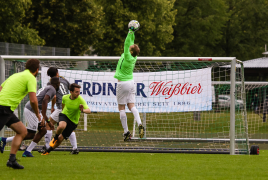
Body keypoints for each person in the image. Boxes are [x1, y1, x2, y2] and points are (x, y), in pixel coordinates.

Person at [1, 77, 60, 157]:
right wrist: (45, 116)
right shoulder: (52, 89)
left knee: (43, 131)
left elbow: (41, 101)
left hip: (34, 110)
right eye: (59, 83)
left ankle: (27, 151)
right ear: (57, 84)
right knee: (31, 134)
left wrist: (43, 116)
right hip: (32, 110)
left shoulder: (48, 87)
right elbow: (44, 100)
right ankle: (5, 140)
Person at [0, 59, 40, 169]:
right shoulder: (31, 78)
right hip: (4, 107)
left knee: (22, 131)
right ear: (37, 70)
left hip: (6, 107)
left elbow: (1, 88)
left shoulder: (15, 75)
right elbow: (33, 100)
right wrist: (37, 114)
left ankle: (11, 160)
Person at [113, 21, 145, 141]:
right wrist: (132, 32)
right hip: (131, 83)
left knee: (121, 107)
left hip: (123, 83)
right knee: (131, 105)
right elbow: (130, 42)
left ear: (130, 51)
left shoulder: (127, 56)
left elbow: (127, 43)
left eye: (131, 48)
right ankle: (140, 123)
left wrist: (130, 30)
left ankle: (126, 132)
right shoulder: (134, 56)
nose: (131, 45)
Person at [38, 67, 79, 154]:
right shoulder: (64, 80)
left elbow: (54, 96)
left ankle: (47, 147)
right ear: (57, 73)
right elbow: (70, 90)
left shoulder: (51, 83)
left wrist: (52, 106)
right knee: (69, 127)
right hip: (69, 106)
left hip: (61, 107)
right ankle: (75, 148)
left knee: (48, 125)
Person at [42, 83, 91, 155]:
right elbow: (63, 105)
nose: (78, 93)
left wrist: (82, 110)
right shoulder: (65, 97)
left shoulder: (80, 100)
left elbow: (89, 111)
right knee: (61, 126)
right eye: (76, 92)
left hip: (73, 121)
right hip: (64, 115)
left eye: (79, 91)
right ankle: (55, 138)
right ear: (71, 92)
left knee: (60, 139)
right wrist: (63, 113)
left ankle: (48, 150)